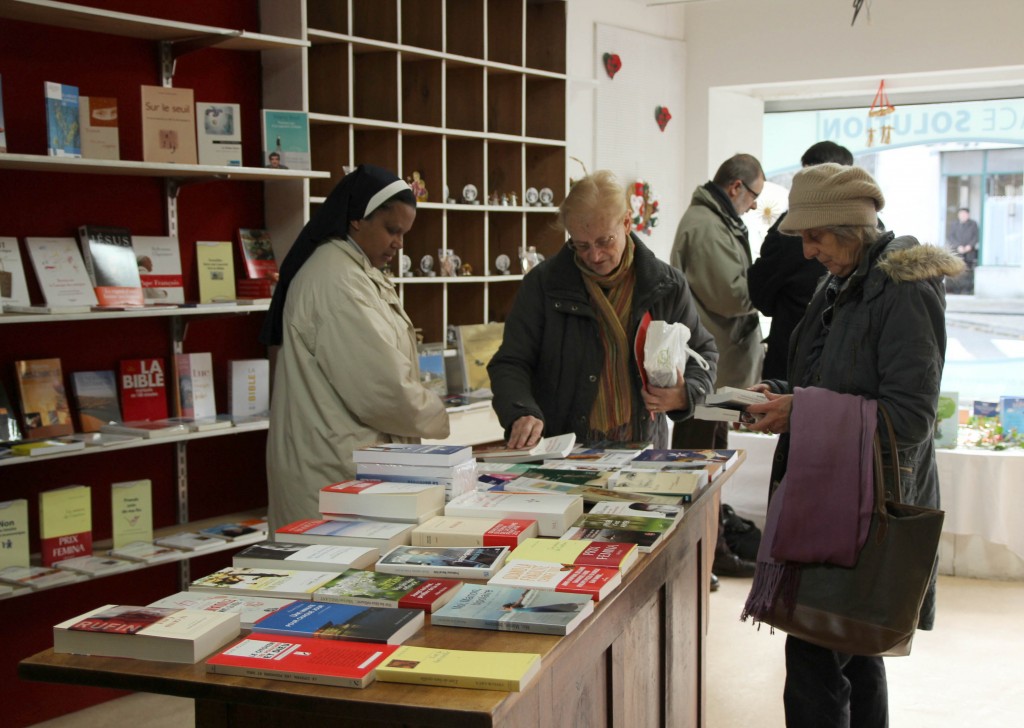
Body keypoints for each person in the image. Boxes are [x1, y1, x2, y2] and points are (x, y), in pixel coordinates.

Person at [742, 163, 963, 727]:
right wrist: (784, 396)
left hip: (863, 506)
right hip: (834, 494)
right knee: (855, 654)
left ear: (851, 227)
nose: (808, 250)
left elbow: (911, 418)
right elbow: (836, 385)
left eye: (815, 236)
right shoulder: (841, 282)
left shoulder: (905, 289)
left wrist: (804, 411)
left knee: (815, 656)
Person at [261, 164, 450, 531]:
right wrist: (440, 414)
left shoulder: (356, 271)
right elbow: (381, 390)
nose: (399, 243)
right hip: (332, 473)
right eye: (392, 230)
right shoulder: (338, 280)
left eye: (404, 233)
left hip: (344, 465)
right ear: (357, 220)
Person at [487, 169, 717, 454]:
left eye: (604, 241)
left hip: (644, 445)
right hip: (565, 448)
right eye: (581, 245)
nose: (593, 256)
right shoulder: (544, 285)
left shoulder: (665, 285)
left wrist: (686, 394)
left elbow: (704, 353)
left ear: (627, 223)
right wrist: (521, 411)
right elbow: (510, 362)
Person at [670, 153, 765, 579]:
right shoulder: (707, 226)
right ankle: (699, 556)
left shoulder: (716, 220)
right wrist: (767, 286)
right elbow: (729, 295)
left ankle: (713, 548)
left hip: (719, 371)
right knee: (697, 462)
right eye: (754, 196)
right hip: (709, 372)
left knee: (712, 458)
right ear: (735, 188)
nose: (754, 206)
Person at [748, 141, 855, 380]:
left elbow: (760, 292)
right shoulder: (871, 231)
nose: (810, 251)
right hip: (843, 363)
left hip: (795, 356)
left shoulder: (790, 230)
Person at [946, 207, 979, 294]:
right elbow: (950, 237)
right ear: (958, 215)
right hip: (958, 252)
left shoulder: (973, 224)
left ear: (968, 215)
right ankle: (957, 289)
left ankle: (967, 289)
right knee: (957, 272)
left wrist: (970, 246)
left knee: (968, 272)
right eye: (961, 214)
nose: (963, 216)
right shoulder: (954, 224)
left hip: (969, 253)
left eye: (965, 214)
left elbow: (976, 237)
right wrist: (958, 246)